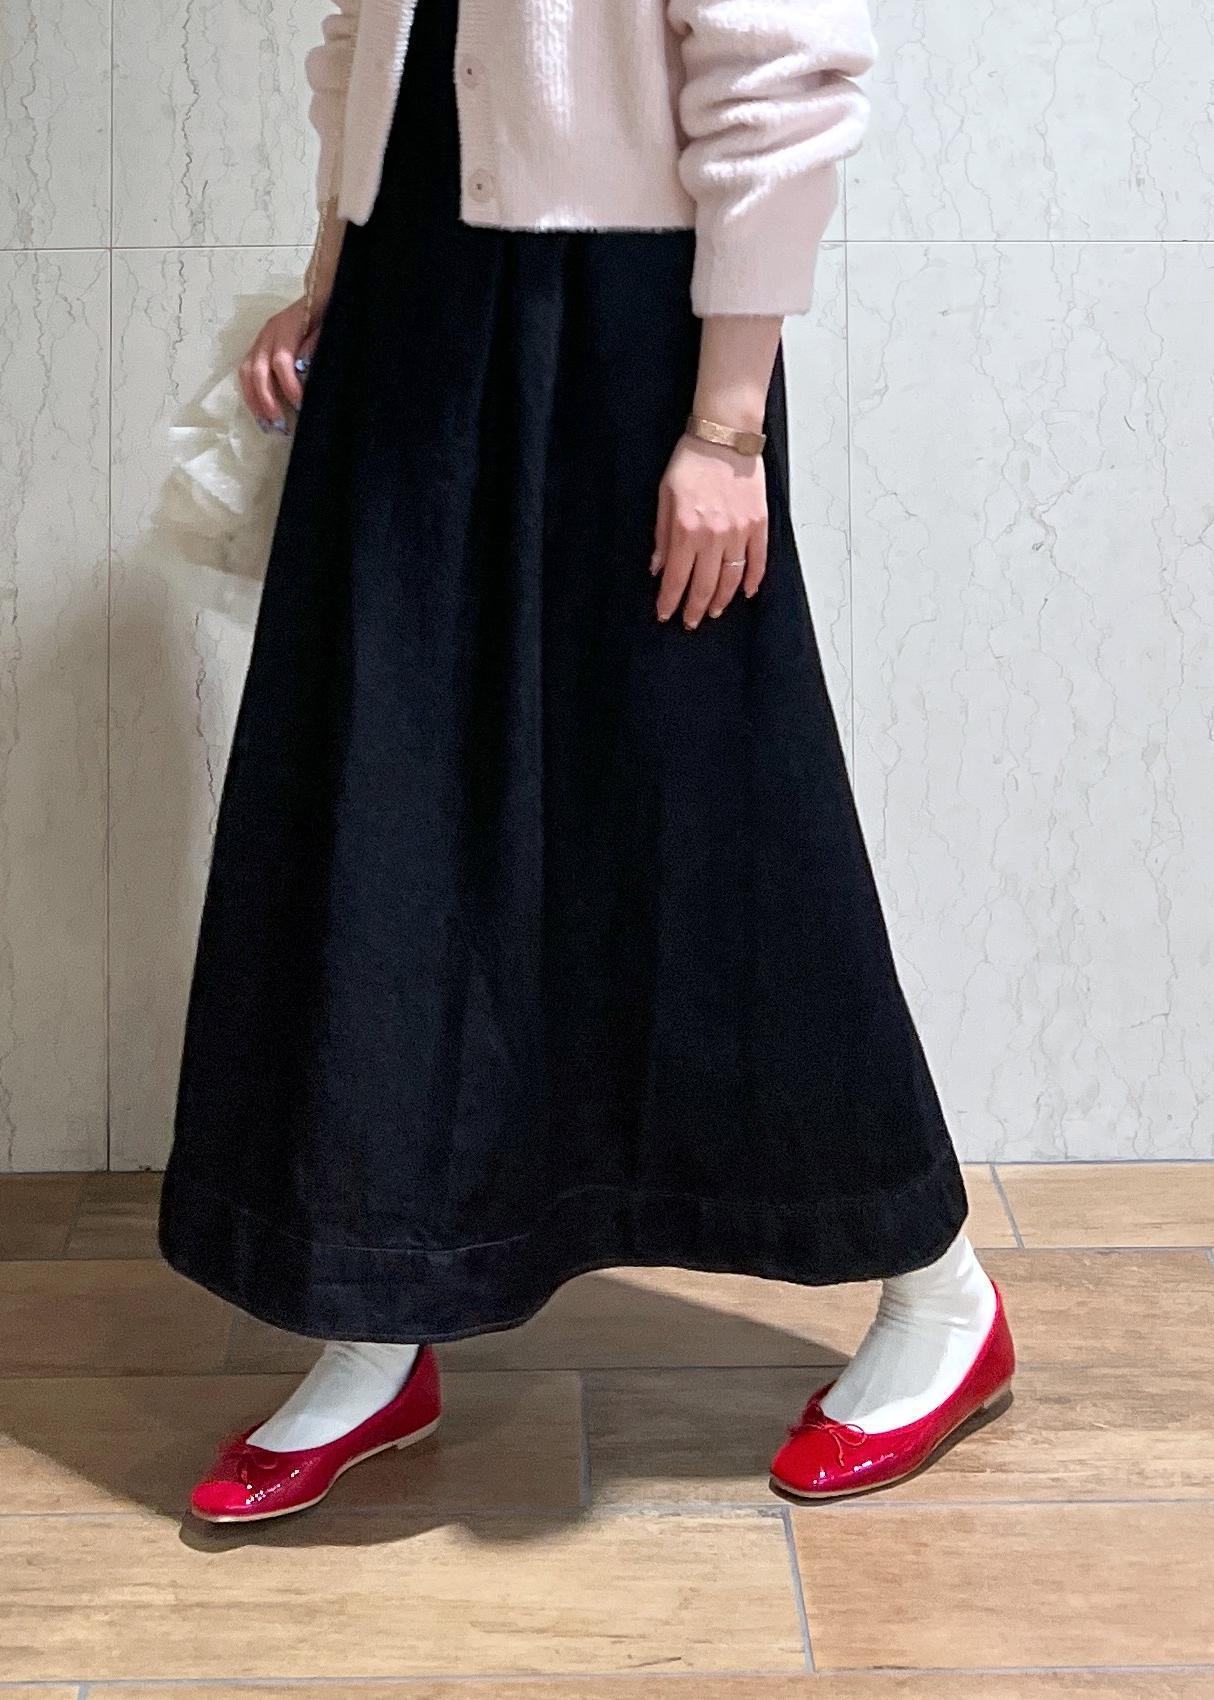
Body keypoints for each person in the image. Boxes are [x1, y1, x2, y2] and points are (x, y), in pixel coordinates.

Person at [159, 0, 1015, 1523]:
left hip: (626, 332)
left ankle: (938, 1291)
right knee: (382, 796)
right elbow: (370, 36)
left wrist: (728, 428)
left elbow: (780, 68)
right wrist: (331, 278)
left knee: (711, 815)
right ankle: (380, 1303)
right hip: (411, 302)